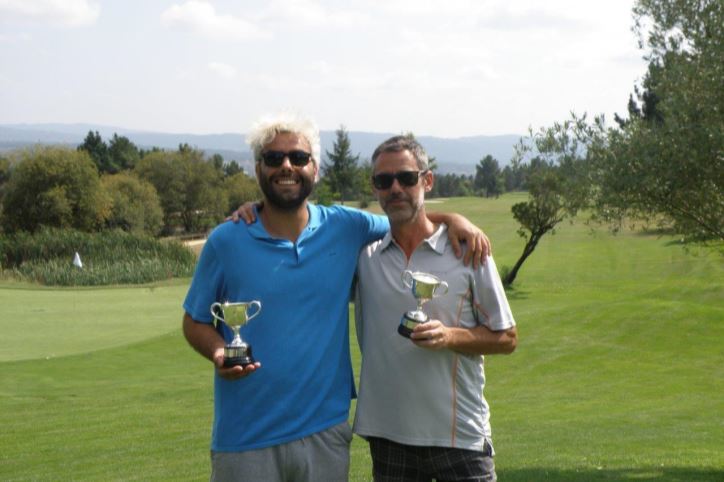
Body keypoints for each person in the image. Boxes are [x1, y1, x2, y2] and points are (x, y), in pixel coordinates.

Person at [182, 113, 490, 482]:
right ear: (257, 167)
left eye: (298, 157)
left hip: (325, 434)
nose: (286, 166)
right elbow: (195, 320)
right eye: (273, 158)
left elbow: (407, 216)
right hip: (245, 439)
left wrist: (453, 218)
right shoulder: (226, 240)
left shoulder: (345, 227)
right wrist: (219, 350)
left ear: (315, 168)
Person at [353, 135, 517, 482]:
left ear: (427, 180)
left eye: (406, 178)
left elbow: (507, 338)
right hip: (388, 436)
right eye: (384, 181)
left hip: (460, 438)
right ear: (375, 188)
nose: (395, 188)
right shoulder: (365, 258)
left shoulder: (468, 251)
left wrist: (450, 336)